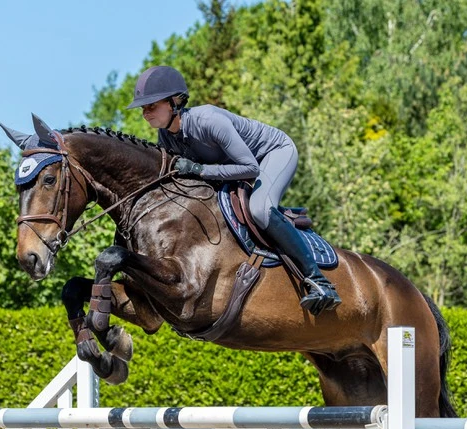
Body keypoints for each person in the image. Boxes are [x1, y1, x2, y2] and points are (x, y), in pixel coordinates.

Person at [127, 65, 341, 315]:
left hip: (272, 155)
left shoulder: (209, 121)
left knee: (260, 210)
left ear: (174, 102)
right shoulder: (167, 136)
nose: (145, 113)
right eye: (143, 108)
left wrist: (199, 169)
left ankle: (319, 281)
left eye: (150, 105)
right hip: (237, 165)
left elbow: (249, 168)